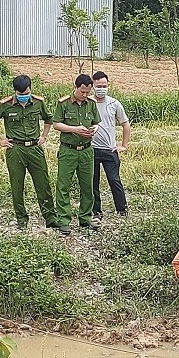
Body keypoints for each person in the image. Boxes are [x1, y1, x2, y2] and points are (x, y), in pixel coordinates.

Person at [0, 74, 58, 230]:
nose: (23, 97)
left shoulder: (38, 103)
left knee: (43, 183)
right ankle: (21, 218)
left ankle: (50, 217)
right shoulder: (6, 105)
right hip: (15, 149)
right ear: (15, 92)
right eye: (20, 95)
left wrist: (44, 136)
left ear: (30, 89)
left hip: (34, 148)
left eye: (26, 94)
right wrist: (0, 140)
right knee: (17, 185)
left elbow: (49, 119)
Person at [53, 74, 102, 235]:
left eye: (88, 92)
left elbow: (96, 122)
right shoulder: (64, 103)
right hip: (68, 150)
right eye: (82, 92)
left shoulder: (91, 104)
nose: (85, 95)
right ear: (75, 87)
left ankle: (86, 217)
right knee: (64, 185)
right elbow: (56, 124)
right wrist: (75, 129)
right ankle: (63, 219)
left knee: (87, 185)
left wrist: (94, 129)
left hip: (87, 150)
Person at [90, 70, 130, 219]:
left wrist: (123, 145)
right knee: (93, 182)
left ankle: (122, 210)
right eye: (98, 85)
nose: (101, 88)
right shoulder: (88, 103)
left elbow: (125, 124)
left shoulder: (114, 103)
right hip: (92, 149)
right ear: (93, 86)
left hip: (109, 149)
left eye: (104, 85)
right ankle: (96, 212)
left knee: (114, 180)